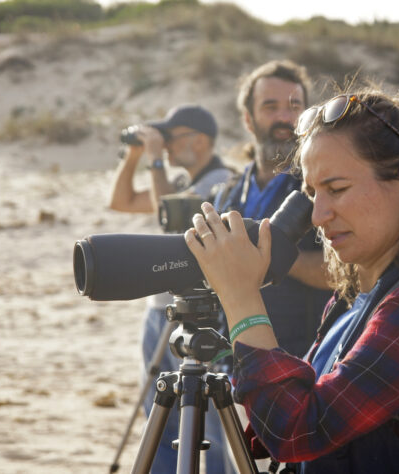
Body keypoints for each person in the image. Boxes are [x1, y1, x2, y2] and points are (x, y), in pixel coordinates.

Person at [186, 90, 399, 473]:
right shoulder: (357, 295)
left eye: (337, 189)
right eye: (312, 192)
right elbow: (274, 426)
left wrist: (240, 298)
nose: (318, 215)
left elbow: (295, 433)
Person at [106, 104, 235, 473]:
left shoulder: (220, 182)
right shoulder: (183, 183)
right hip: (160, 312)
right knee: (159, 415)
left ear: (201, 140)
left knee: (204, 422)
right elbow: (121, 201)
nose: (166, 147)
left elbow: (172, 227)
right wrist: (134, 157)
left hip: (194, 316)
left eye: (172, 138)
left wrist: (155, 162)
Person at [213, 59, 332, 358]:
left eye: (294, 107)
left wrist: (266, 256)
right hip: (229, 356)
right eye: (270, 107)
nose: (284, 117)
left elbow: (345, 271)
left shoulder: (324, 186)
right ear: (248, 120)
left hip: (300, 357)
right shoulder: (227, 193)